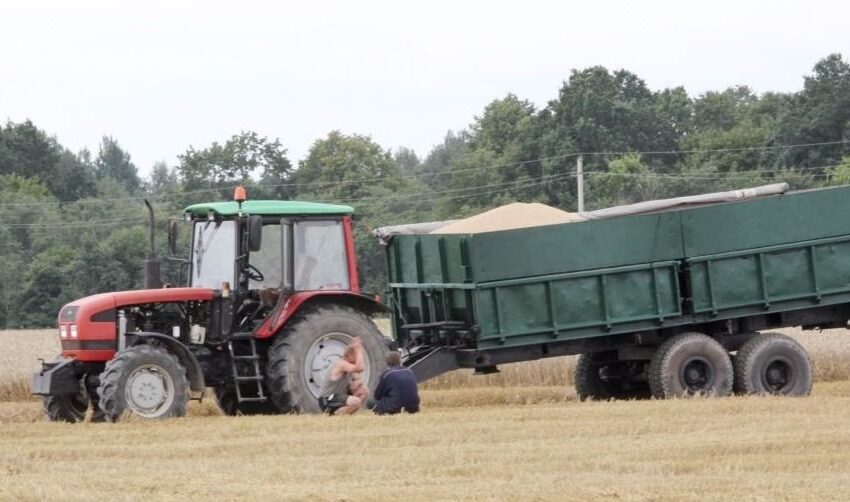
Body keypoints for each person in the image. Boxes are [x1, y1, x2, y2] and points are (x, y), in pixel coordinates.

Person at [317, 338, 367, 415]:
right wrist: (358, 349)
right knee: (356, 402)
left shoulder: (349, 368)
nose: (358, 359)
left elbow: (357, 380)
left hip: (338, 396)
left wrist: (357, 383)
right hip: (327, 399)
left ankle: (345, 414)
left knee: (364, 391)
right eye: (356, 356)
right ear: (350, 356)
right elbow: (360, 368)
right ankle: (335, 416)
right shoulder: (341, 364)